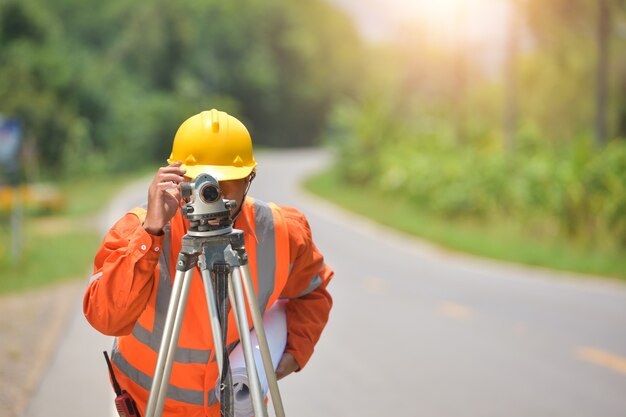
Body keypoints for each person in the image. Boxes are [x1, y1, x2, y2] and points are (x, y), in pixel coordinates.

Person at [83, 109, 334, 417]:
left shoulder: (281, 232)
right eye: (201, 181)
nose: (212, 195)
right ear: (176, 176)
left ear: (249, 179)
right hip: (152, 409)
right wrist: (150, 231)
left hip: (236, 409)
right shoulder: (138, 231)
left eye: (226, 182)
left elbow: (313, 293)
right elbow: (105, 318)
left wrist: (295, 349)